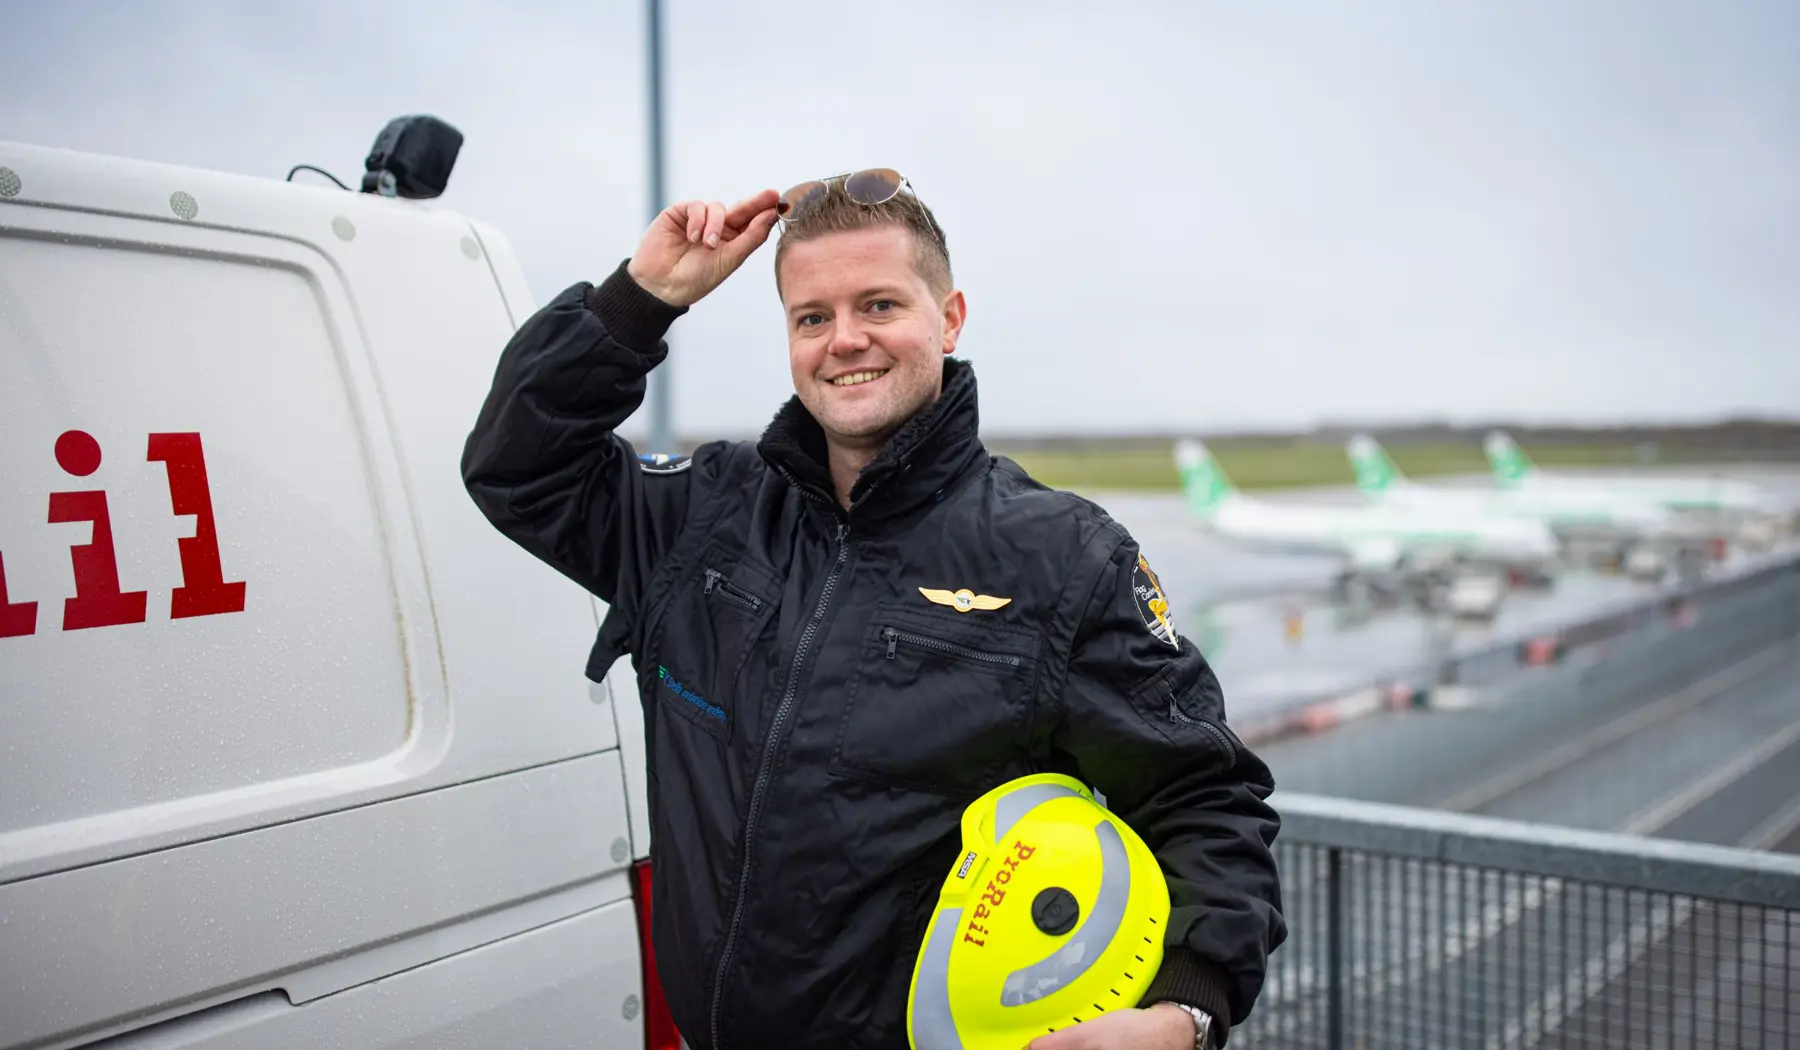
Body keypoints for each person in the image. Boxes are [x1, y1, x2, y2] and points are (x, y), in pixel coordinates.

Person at [462, 170, 1285, 1049]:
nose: (844, 340)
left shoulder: (1064, 559)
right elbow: (518, 466)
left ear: (950, 317)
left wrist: (1186, 1010)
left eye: (880, 305)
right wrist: (641, 300)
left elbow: (1206, 797)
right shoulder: (707, 517)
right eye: (812, 317)